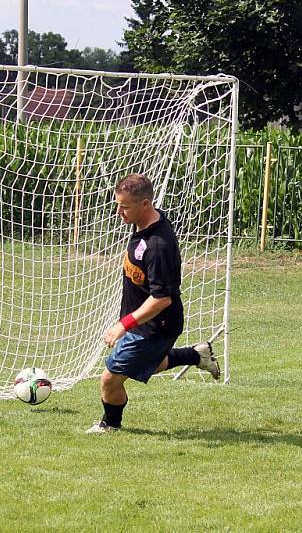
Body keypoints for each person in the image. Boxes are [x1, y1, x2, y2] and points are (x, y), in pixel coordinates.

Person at [86, 173, 220, 434]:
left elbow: (162, 298)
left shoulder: (158, 246)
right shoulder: (145, 224)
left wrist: (123, 324)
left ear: (145, 205)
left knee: (110, 380)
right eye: (118, 204)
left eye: (124, 207)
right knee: (144, 365)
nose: (118, 212)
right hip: (145, 323)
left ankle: (110, 425)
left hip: (155, 325)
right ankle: (196, 354)